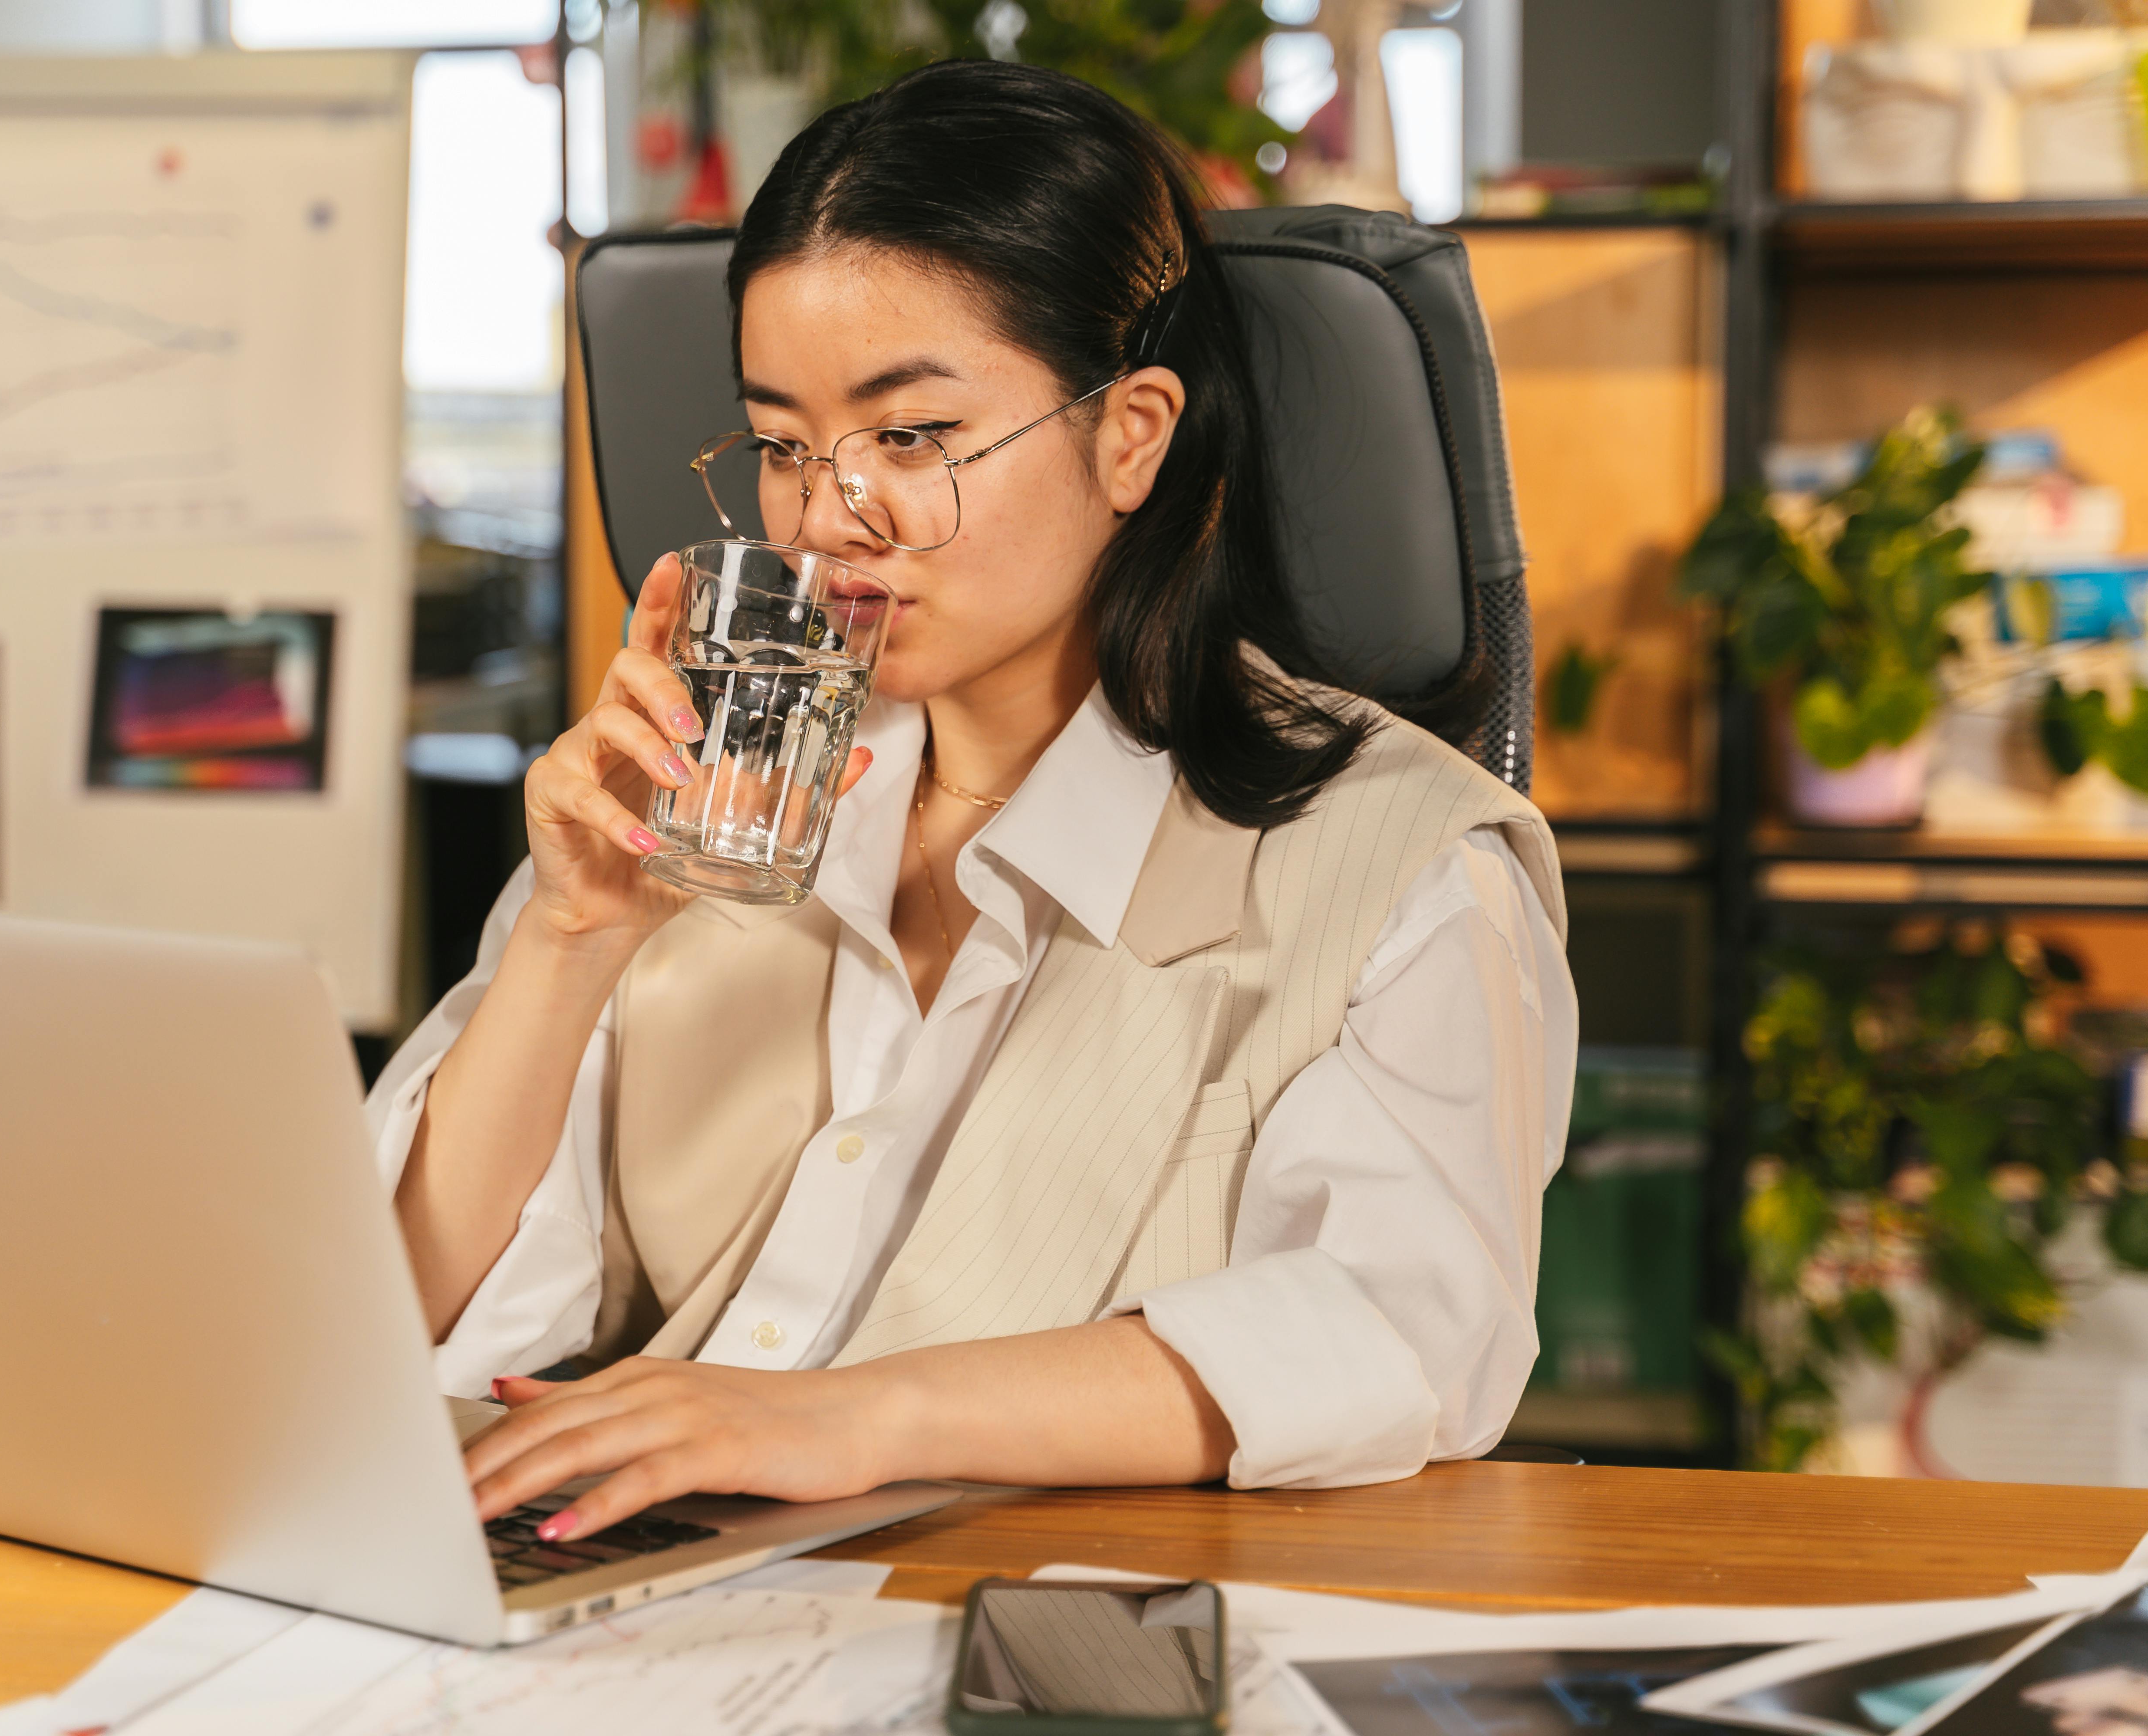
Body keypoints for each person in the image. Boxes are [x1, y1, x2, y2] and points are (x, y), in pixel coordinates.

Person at [369, 57, 1573, 1550]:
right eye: (785, 446)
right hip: (635, 1598)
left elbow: (1404, 1337)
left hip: (1038, 1613)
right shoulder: (711, 786)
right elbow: (382, 1320)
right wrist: (567, 942)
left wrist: (848, 1417)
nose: (829, 513)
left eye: (915, 436)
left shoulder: (1403, 864)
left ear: (1130, 435)